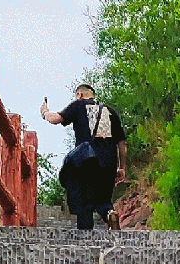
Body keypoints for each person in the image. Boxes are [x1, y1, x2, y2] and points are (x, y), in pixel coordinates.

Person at [40, 82, 127, 231]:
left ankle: (85, 239)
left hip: (86, 162)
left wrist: (45, 112)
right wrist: (121, 167)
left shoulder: (78, 105)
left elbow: (55, 119)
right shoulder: (111, 112)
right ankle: (110, 213)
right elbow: (122, 145)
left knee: (84, 203)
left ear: (79, 95)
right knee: (103, 199)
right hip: (108, 163)